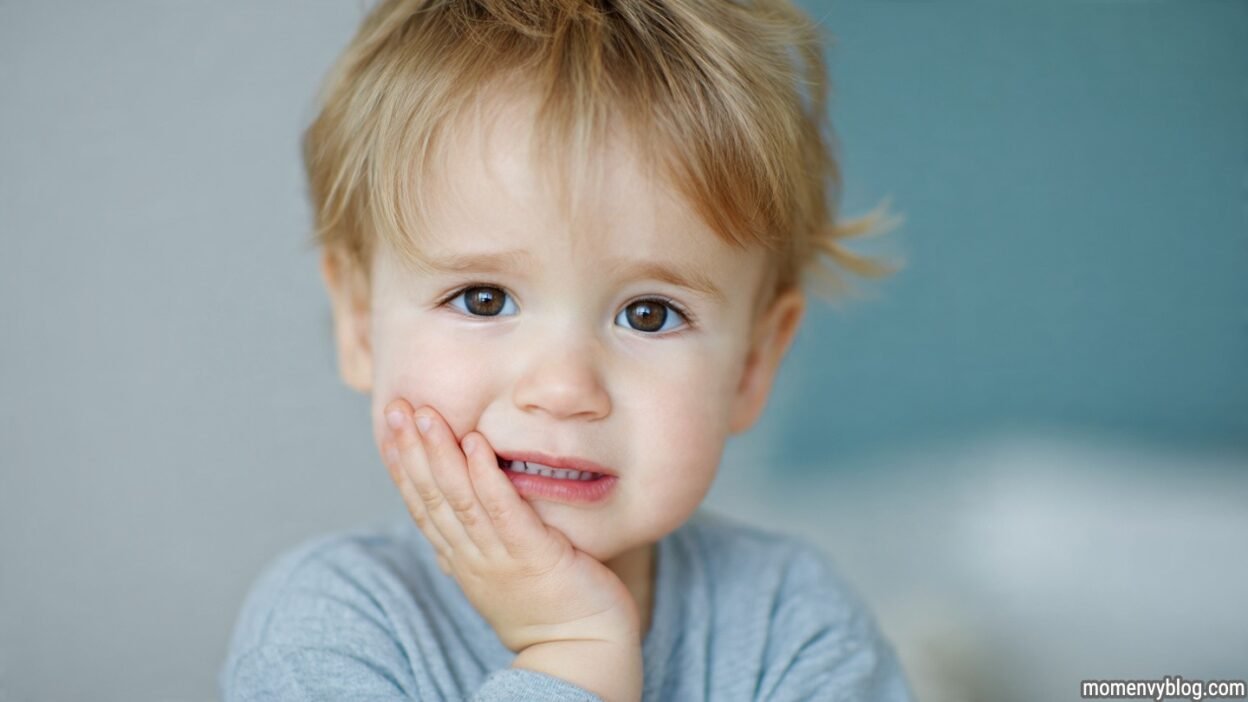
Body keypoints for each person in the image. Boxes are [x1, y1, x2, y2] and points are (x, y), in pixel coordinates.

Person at [220, 0, 913, 699]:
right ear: (362, 324)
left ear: (753, 365)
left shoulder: (795, 622)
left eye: (649, 314)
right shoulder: (325, 628)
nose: (563, 387)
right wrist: (572, 651)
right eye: (483, 299)